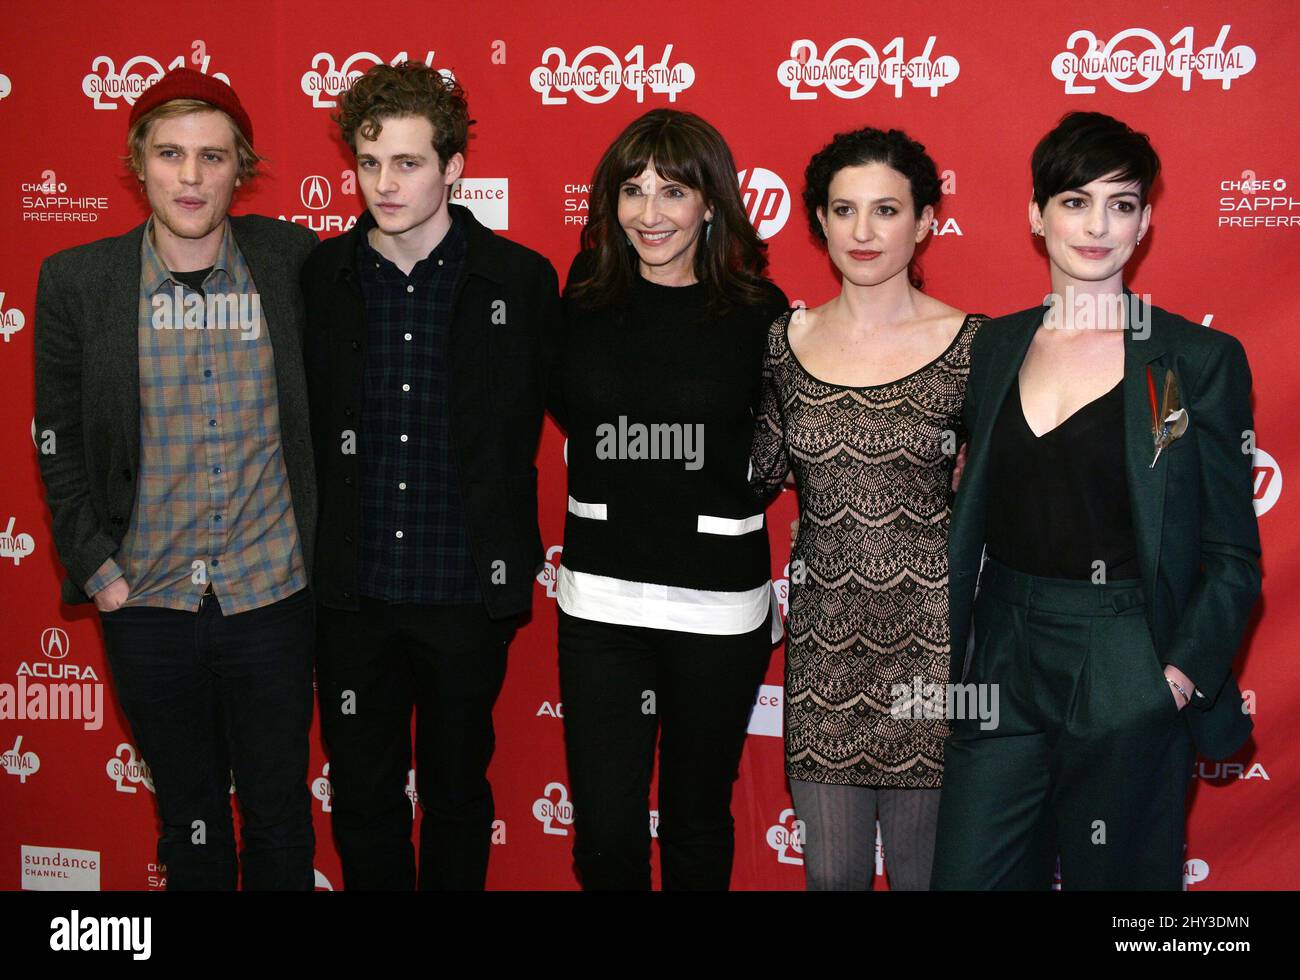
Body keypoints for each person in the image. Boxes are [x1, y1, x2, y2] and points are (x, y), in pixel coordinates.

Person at [931, 111, 1261, 890]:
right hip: (1001, 649)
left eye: (1121, 204)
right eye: (1076, 201)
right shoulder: (994, 347)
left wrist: (1173, 676)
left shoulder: (1192, 360)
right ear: (1036, 215)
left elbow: (1232, 554)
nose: (1098, 225)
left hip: (1126, 654)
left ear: (1145, 222)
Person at [33, 68, 319, 889]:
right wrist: (97, 568)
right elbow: (56, 440)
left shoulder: (292, 260)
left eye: (212, 157)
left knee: (278, 817)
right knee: (189, 822)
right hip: (147, 600)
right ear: (138, 163)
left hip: (271, 594)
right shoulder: (78, 282)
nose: (191, 177)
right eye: (170, 154)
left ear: (242, 168)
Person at [302, 61, 561, 890]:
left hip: (464, 591)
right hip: (352, 594)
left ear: (453, 169)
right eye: (369, 162)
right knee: (365, 797)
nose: (384, 183)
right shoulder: (322, 279)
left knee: (456, 791)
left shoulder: (517, 281)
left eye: (408, 163)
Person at [554, 108, 788, 890]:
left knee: (695, 819)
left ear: (711, 203)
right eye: (632, 190)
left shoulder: (760, 312)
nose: (649, 214)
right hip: (601, 600)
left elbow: (788, 444)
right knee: (606, 826)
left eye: (673, 192)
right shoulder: (582, 297)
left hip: (717, 606)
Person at [751, 128, 982, 890]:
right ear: (817, 219)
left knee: (925, 880)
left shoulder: (975, 345)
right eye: (843, 210)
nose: (862, 231)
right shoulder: (785, 341)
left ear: (924, 222)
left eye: (886, 210)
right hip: (823, 658)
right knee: (833, 879)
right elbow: (755, 474)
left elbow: (1009, 503)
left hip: (935, 652)